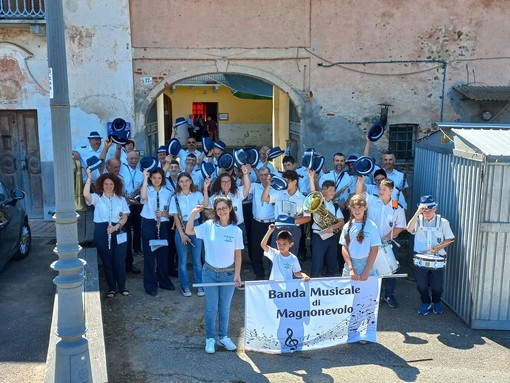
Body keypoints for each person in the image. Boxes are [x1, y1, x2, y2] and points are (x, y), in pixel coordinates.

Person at [185, 197, 243, 354]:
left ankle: (223, 337)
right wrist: (192, 214)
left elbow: (238, 255)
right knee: (211, 307)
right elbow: (189, 231)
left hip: (228, 275)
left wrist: (237, 274)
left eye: (225, 208)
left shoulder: (236, 230)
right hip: (209, 273)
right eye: (219, 209)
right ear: (215, 211)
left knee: (224, 307)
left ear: (230, 208)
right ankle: (210, 338)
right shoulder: (208, 226)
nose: (222, 211)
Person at [355, 175, 406, 308]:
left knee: (389, 271)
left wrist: (385, 238)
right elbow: (358, 194)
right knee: (370, 269)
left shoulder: (397, 207)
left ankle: (389, 294)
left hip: (387, 244)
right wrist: (360, 181)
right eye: (380, 188)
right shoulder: (372, 200)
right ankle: (372, 296)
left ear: (391, 190)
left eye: (384, 189)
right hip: (369, 243)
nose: (381, 191)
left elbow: (400, 226)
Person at [83, 169, 130, 298]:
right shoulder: (97, 198)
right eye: (106, 184)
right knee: (107, 261)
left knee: (119, 261)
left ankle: (122, 286)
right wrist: (88, 179)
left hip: (118, 230)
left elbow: (125, 217)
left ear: (115, 185)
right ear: (101, 185)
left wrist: (116, 227)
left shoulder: (121, 199)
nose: (108, 187)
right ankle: (111, 288)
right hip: (101, 231)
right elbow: (86, 194)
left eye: (111, 184)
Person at [407, 195, 454, 315]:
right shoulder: (418, 220)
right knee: (421, 285)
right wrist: (418, 212)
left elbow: (450, 239)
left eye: (430, 209)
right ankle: (425, 302)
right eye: (425, 210)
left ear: (435, 209)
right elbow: (409, 229)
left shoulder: (443, 222)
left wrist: (438, 248)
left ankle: (437, 302)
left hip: (437, 258)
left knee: (437, 286)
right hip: (421, 257)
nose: (427, 212)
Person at [170, 172, 210, 297]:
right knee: (182, 261)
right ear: (178, 183)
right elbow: (175, 217)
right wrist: (182, 234)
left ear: (191, 181)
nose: (184, 183)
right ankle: (185, 286)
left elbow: (205, 204)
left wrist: (205, 189)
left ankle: (199, 285)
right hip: (181, 226)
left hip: (196, 225)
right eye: (181, 181)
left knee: (197, 260)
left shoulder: (197, 194)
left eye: (186, 180)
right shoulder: (175, 197)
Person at [140, 168, 176, 296]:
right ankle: (150, 284)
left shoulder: (168, 191)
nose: (156, 180)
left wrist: (164, 213)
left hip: (163, 224)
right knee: (149, 256)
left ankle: (164, 280)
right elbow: (143, 197)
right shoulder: (147, 189)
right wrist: (145, 178)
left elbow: (172, 211)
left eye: (159, 178)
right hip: (149, 223)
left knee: (163, 254)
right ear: (151, 178)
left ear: (163, 179)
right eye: (154, 178)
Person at [261, 170, 311, 257]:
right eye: (284, 180)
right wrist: (269, 184)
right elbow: (264, 198)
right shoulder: (279, 193)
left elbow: (307, 218)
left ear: (295, 182)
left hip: (294, 229)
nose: (285, 183)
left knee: (291, 256)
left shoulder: (303, 198)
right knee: (275, 255)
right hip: (278, 227)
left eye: (287, 181)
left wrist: (293, 221)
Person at [307, 170, 345, 278]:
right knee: (317, 264)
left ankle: (329, 289)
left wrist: (333, 227)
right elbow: (313, 193)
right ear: (323, 191)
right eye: (330, 190)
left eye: (334, 190)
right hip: (319, 235)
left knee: (331, 264)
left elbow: (341, 221)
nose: (333, 192)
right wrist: (311, 178)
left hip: (332, 236)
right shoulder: (319, 202)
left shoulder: (335, 206)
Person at [339, 194, 381, 281]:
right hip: (350, 265)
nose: (357, 210)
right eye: (354, 207)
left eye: (359, 207)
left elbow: (374, 249)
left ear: (365, 207)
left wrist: (366, 271)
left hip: (366, 264)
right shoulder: (347, 226)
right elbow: (344, 247)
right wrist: (351, 269)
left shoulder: (372, 226)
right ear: (350, 208)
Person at [208, 166, 251, 238]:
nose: (226, 184)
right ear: (219, 183)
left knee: (238, 249)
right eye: (223, 182)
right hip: (222, 228)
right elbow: (206, 206)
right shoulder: (215, 196)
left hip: (238, 226)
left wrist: (245, 174)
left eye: (228, 181)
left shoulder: (237, 192)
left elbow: (247, 187)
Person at [249, 166, 276, 279]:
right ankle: (259, 274)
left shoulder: (276, 189)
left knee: (273, 250)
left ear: (270, 175)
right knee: (256, 250)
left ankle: (272, 274)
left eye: (266, 175)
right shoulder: (255, 187)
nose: (264, 177)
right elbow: (244, 188)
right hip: (257, 223)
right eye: (261, 175)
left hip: (271, 224)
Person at [119, 151, 144, 273]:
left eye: (135, 158)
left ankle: (137, 250)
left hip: (137, 204)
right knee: (126, 233)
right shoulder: (122, 170)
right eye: (131, 158)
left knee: (138, 229)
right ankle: (126, 263)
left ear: (138, 159)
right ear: (127, 159)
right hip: (125, 204)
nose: (133, 160)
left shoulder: (141, 174)